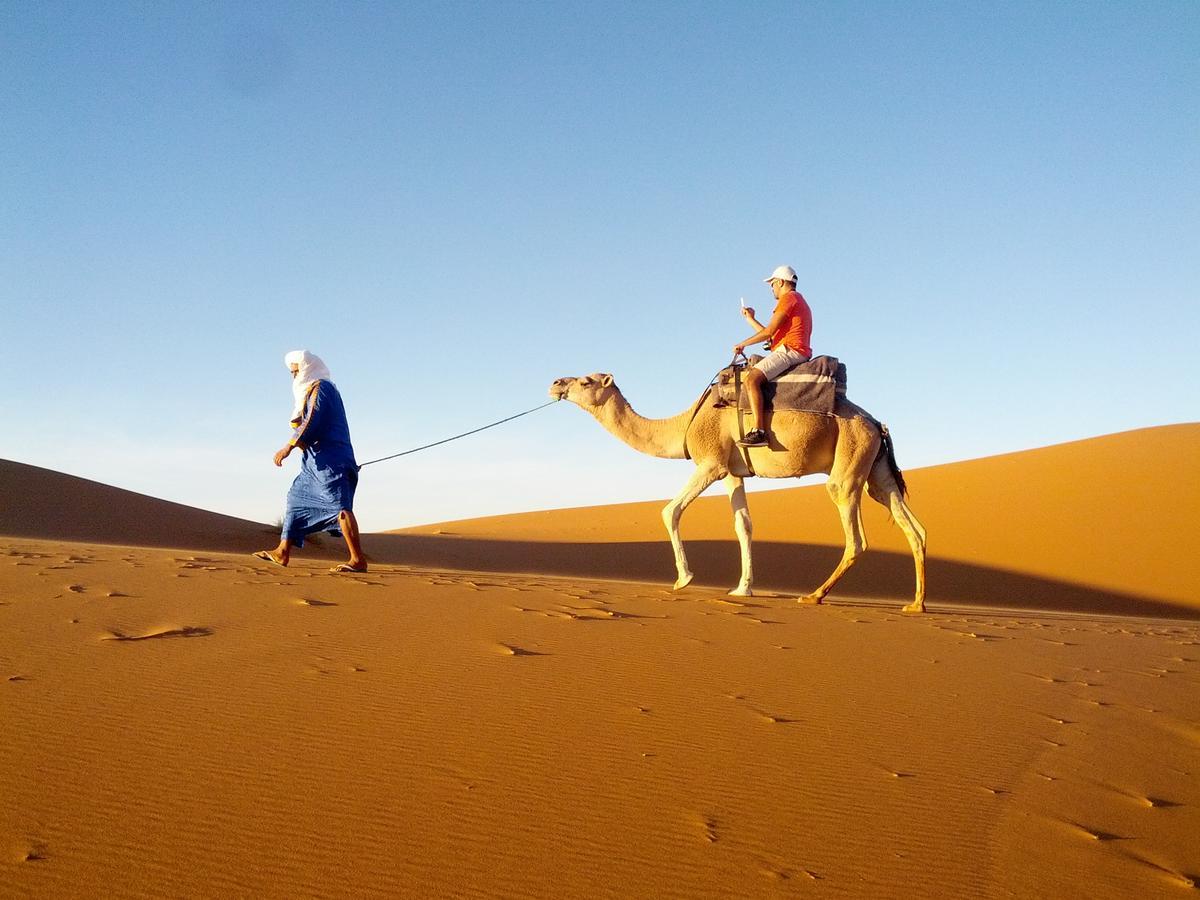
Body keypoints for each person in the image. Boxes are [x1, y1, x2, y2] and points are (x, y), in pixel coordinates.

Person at [253, 350, 368, 573]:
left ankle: (358, 559)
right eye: (292, 373)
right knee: (296, 498)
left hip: (331, 458)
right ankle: (282, 551)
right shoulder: (311, 392)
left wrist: (289, 446)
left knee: (339, 506)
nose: (294, 377)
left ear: (307, 368)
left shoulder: (323, 388)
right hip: (313, 462)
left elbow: (312, 419)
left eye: (296, 371)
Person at [732, 265, 813, 447]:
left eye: (773, 284)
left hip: (790, 350)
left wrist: (742, 344)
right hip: (789, 349)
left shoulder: (789, 299)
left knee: (751, 380)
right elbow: (772, 335)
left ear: (781, 282)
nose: (772, 288)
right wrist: (750, 319)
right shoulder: (797, 300)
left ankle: (759, 432)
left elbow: (768, 333)